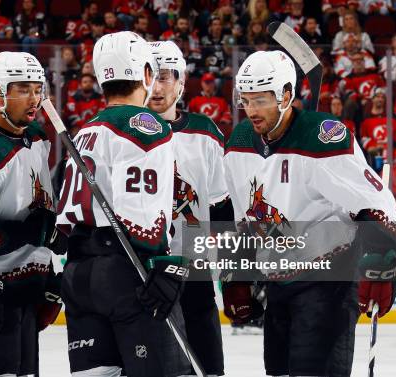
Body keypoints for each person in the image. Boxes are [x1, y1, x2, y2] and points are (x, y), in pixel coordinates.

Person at [222, 50, 396, 377]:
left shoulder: (323, 137)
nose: (251, 110)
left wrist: (381, 259)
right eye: (245, 100)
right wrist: (237, 276)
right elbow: (243, 218)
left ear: (286, 96)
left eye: (260, 100)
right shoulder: (239, 142)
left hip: (327, 280)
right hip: (277, 283)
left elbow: (374, 202)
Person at [57, 31, 190, 376]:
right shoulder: (146, 127)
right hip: (127, 273)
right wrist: (163, 263)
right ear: (146, 74)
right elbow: (143, 225)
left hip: (79, 277)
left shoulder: (85, 131)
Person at [0, 51, 62, 377]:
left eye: (37, 89)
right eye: (23, 89)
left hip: (27, 292)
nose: (34, 98)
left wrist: (49, 278)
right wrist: (30, 233)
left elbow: (42, 212)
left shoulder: (38, 140)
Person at [148, 40, 227, 377]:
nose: (156, 86)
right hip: (142, 272)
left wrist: (236, 272)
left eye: (166, 77)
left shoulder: (205, 133)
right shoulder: (119, 132)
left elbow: (222, 206)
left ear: (181, 82)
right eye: (148, 75)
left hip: (195, 271)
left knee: (208, 367)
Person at [187, 72, 232, 136]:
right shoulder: (195, 100)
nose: (209, 85)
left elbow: (227, 115)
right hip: (200, 130)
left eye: (211, 82)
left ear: (214, 84)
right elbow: (190, 115)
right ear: (202, 84)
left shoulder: (221, 100)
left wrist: (222, 123)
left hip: (217, 131)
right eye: (206, 82)